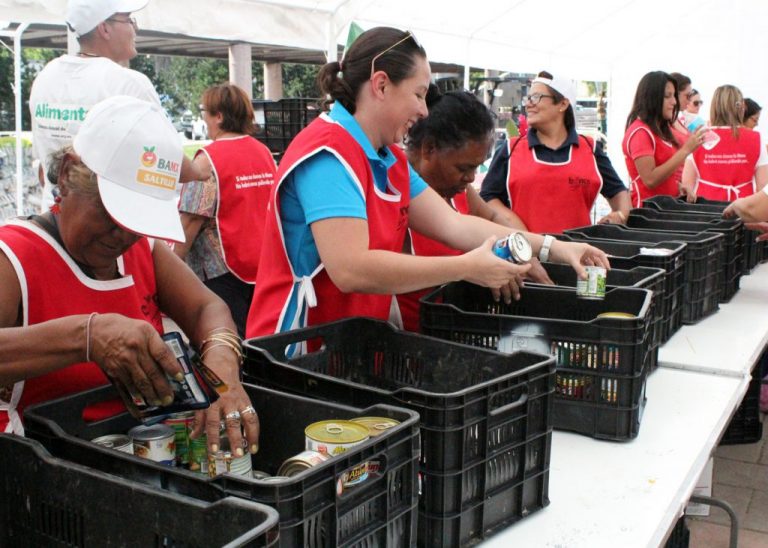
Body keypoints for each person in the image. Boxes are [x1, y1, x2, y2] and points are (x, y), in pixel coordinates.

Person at [244, 27, 609, 341]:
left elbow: (456, 225)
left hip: (348, 342)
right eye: (418, 94)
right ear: (381, 85)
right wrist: (466, 267)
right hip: (296, 346)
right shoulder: (328, 154)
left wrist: (556, 248)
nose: (423, 111)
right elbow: (351, 268)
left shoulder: (388, 158)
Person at [0, 96, 258, 456]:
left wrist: (222, 359)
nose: (122, 235)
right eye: (110, 214)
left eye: (136, 222)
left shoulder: (142, 250)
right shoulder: (14, 256)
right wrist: (87, 337)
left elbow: (206, 309)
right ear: (67, 174)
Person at [395, 87, 554, 332]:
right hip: (415, 333)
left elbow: (491, 217)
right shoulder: (396, 188)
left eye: (476, 168)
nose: (470, 178)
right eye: (463, 168)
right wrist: (474, 269)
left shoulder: (458, 189)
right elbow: (395, 270)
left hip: (458, 328)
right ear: (429, 149)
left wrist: (517, 251)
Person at [29, 0, 207, 210]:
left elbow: (44, 169)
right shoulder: (128, 84)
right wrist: (202, 171)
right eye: (129, 20)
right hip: (111, 226)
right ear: (104, 28)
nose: (135, 29)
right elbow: (172, 164)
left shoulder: (46, 77)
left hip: (55, 218)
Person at [175, 84, 276, 336]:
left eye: (205, 112)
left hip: (222, 272)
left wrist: (168, 268)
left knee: (227, 343)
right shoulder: (262, 152)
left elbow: (190, 220)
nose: (204, 119)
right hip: (262, 264)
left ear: (219, 116)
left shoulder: (207, 160)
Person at [479, 71, 630, 233]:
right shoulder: (510, 149)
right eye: (528, 98)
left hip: (578, 255)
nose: (528, 104)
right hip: (527, 255)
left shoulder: (590, 149)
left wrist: (619, 215)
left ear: (563, 104)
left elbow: (619, 192)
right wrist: (517, 228)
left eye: (536, 97)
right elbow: (487, 198)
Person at [622, 71, 706, 207]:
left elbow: (662, 175)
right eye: (668, 96)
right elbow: (650, 179)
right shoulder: (640, 132)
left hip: (664, 209)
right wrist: (685, 151)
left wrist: (678, 186)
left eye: (674, 95)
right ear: (652, 98)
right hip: (647, 213)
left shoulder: (658, 129)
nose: (674, 102)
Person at [681, 85, 768, 202]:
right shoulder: (756, 139)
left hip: (704, 211)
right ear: (741, 109)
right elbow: (763, 187)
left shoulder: (699, 137)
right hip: (742, 211)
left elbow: (687, 185)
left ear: (714, 107)